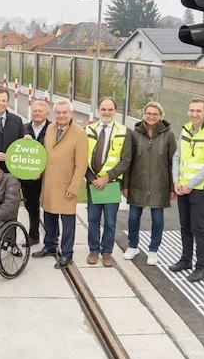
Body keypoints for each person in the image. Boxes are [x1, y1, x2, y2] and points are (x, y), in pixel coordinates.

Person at [33, 100, 88, 268]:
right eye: (58, 112)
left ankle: (67, 253)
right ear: (54, 113)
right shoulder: (50, 128)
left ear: (71, 114)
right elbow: (45, 154)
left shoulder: (79, 134)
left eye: (65, 112)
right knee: (49, 216)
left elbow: (81, 164)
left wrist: (74, 187)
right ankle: (50, 245)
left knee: (67, 222)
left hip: (66, 185)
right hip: (49, 183)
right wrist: (37, 172)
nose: (61, 115)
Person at [170, 98, 204, 282]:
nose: (194, 114)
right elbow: (177, 157)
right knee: (185, 226)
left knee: (198, 227)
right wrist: (176, 182)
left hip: (198, 189)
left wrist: (190, 185)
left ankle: (201, 267)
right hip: (183, 187)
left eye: (199, 111)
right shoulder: (185, 131)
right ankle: (185, 260)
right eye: (191, 110)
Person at [123, 101, 177, 266]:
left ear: (160, 116)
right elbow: (127, 161)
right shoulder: (133, 134)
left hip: (160, 186)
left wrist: (173, 187)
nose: (151, 116)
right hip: (137, 184)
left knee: (158, 219)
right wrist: (125, 185)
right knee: (133, 217)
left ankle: (154, 250)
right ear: (144, 115)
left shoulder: (168, 135)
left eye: (155, 114)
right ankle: (133, 246)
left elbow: (173, 163)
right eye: (148, 113)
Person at [85, 98, 132, 268]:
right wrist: (92, 179)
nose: (106, 112)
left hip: (112, 184)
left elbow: (126, 160)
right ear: (99, 110)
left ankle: (107, 252)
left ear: (115, 111)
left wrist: (107, 178)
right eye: (103, 109)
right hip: (92, 183)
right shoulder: (89, 130)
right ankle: (93, 250)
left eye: (110, 109)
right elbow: (82, 156)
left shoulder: (124, 132)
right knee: (92, 219)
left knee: (110, 221)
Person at [20, 100, 51, 246]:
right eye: (35, 111)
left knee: (51, 206)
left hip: (48, 175)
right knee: (31, 205)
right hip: (29, 176)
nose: (37, 113)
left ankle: (52, 237)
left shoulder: (53, 128)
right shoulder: (24, 128)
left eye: (40, 111)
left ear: (47, 113)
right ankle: (34, 235)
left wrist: (42, 171)